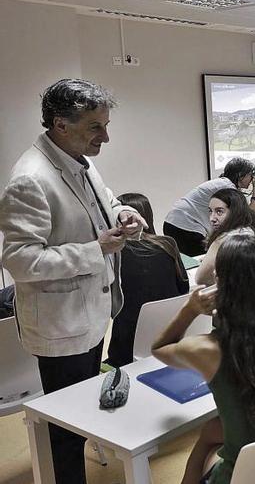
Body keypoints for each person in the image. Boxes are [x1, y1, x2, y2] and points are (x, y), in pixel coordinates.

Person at [0, 78, 147, 484]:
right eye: (95, 128)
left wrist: (123, 216)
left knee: (82, 413)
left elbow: (106, 201)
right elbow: (19, 260)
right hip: (60, 325)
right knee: (65, 427)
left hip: (89, 314)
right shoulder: (30, 178)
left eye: (105, 124)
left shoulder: (79, 157)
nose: (106, 136)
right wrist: (95, 249)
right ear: (60, 124)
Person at [152, 234, 255, 484]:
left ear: (222, 287)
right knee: (211, 430)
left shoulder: (209, 349)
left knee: (205, 443)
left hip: (241, 475)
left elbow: (160, 348)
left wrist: (190, 309)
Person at [107, 193, 189, 367]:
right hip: (174, 337)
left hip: (127, 349)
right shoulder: (168, 244)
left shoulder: (115, 253)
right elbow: (184, 288)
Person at [164, 157, 255, 257]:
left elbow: (248, 214)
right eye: (251, 175)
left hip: (174, 223)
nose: (252, 179)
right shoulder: (227, 187)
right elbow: (248, 217)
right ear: (241, 175)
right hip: (186, 228)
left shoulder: (223, 184)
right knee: (205, 262)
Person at [195, 189, 255, 286]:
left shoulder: (223, 240)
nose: (212, 218)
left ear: (235, 212)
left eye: (219, 212)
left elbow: (201, 279)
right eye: (210, 211)